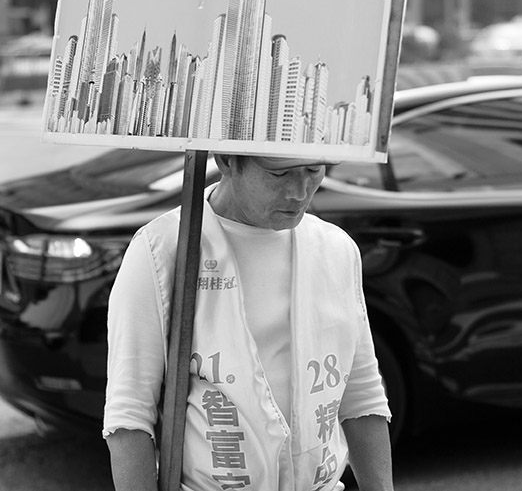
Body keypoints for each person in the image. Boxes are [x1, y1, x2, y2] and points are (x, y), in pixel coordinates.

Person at [103, 154, 394, 491]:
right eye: (279, 174)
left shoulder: (335, 248)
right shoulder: (162, 248)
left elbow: (361, 393)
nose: (299, 191)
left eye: (313, 170)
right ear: (227, 160)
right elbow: (129, 416)